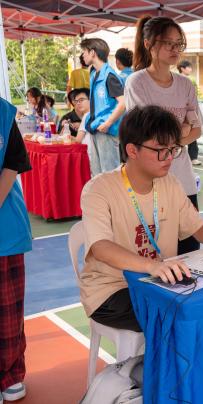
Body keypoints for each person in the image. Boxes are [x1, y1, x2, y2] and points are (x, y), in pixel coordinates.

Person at [79, 105, 203, 332]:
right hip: (112, 289)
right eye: (160, 150)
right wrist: (152, 266)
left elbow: (199, 228)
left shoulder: (170, 183)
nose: (169, 157)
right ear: (132, 150)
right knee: (179, 317)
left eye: (173, 149)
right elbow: (101, 247)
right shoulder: (99, 189)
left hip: (160, 282)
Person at [126, 15, 203, 256]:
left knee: (190, 247)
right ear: (148, 44)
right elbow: (148, 134)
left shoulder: (185, 85)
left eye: (178, 44)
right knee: (155, 250)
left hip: (183, 178)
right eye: (168, 43)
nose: (175, 49)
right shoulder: (137, 82)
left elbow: (197, 129)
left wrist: (168, 142)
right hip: (150, 181)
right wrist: (180, 130)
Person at [0, 97, 33, 402]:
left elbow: (13, 164)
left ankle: (10, 372)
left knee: (8, 310)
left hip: (5, 231)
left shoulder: (3, 112)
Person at [81, 38, 126, 176]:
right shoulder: (94, 73)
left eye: (84, 51)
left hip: (106, 130)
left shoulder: (109, 75)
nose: (83, 55)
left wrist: (108, 123)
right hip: (95, 128)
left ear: (92, 52)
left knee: (110, 174)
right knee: (97, 174)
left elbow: (123, 103)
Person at [177, 60, 201, 166]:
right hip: (182, 110)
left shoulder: (188, 80)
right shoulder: (179, 80)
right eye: (188, 67)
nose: (191, 69)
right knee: (185, 132)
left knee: (192, 132)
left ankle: (193, 157)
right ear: (182, 68)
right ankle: (191, 157)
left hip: (189, 110)